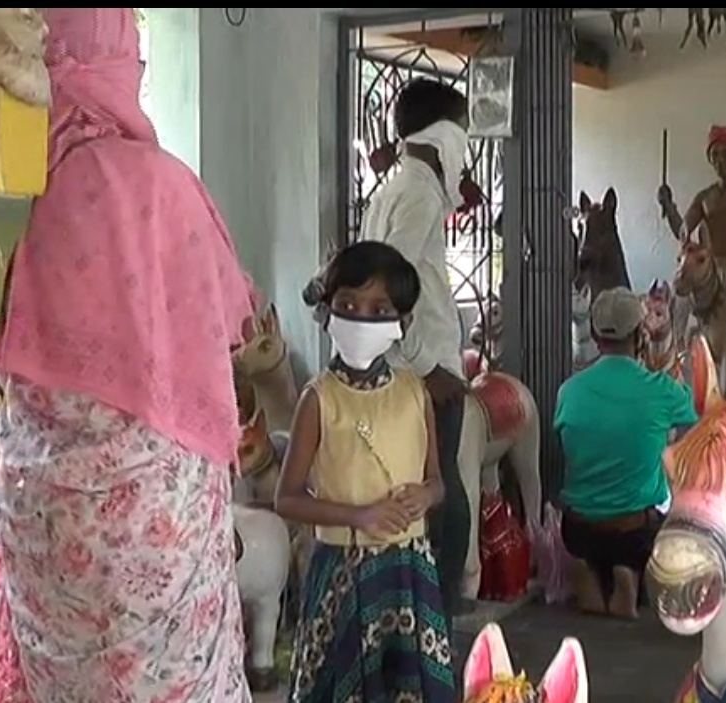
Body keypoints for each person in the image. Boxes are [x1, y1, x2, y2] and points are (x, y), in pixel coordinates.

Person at [0, 9, 255, 702]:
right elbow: (226, 326)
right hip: (159, 535)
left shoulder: (6, 186)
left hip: (45, 528)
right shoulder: (162, 186)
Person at [276, 241, 455, 703]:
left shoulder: (416, 393)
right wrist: (360, 516)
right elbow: (287, 498)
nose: (360, 318)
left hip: (408, 569)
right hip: (342, 572)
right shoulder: (318, 399)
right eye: (348, 305)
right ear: (327, 312)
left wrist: (426, 496)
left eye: (379, 309)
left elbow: (438, 481)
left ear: (402, 323)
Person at [359, 77, 474, 613]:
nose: (467, 149)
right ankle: (440, 609)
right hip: (423, 370)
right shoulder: (420, 194)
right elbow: (386, 283)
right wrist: (428, 366)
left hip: (398, 364)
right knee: (440, 487)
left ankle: (414, 605)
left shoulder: (392, 188)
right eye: (463, 134)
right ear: (444, 135)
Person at [554, 287, 698, 619]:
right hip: (636, 531)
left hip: (577, 528)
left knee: (589, 525)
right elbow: (695, 415)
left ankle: (590, 572)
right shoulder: (661, 390)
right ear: (640, 333)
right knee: (666, 495)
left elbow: (561, 434)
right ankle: (628, 572)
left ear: (593, 333)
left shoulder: (569, 390)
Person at [658, 125, 726, 394]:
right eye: (716, 155)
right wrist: (669, 207)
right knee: (680, 300)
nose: (721, 161)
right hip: (709, 265)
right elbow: (683, 232)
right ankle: (674, 359)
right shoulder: (705, 197)